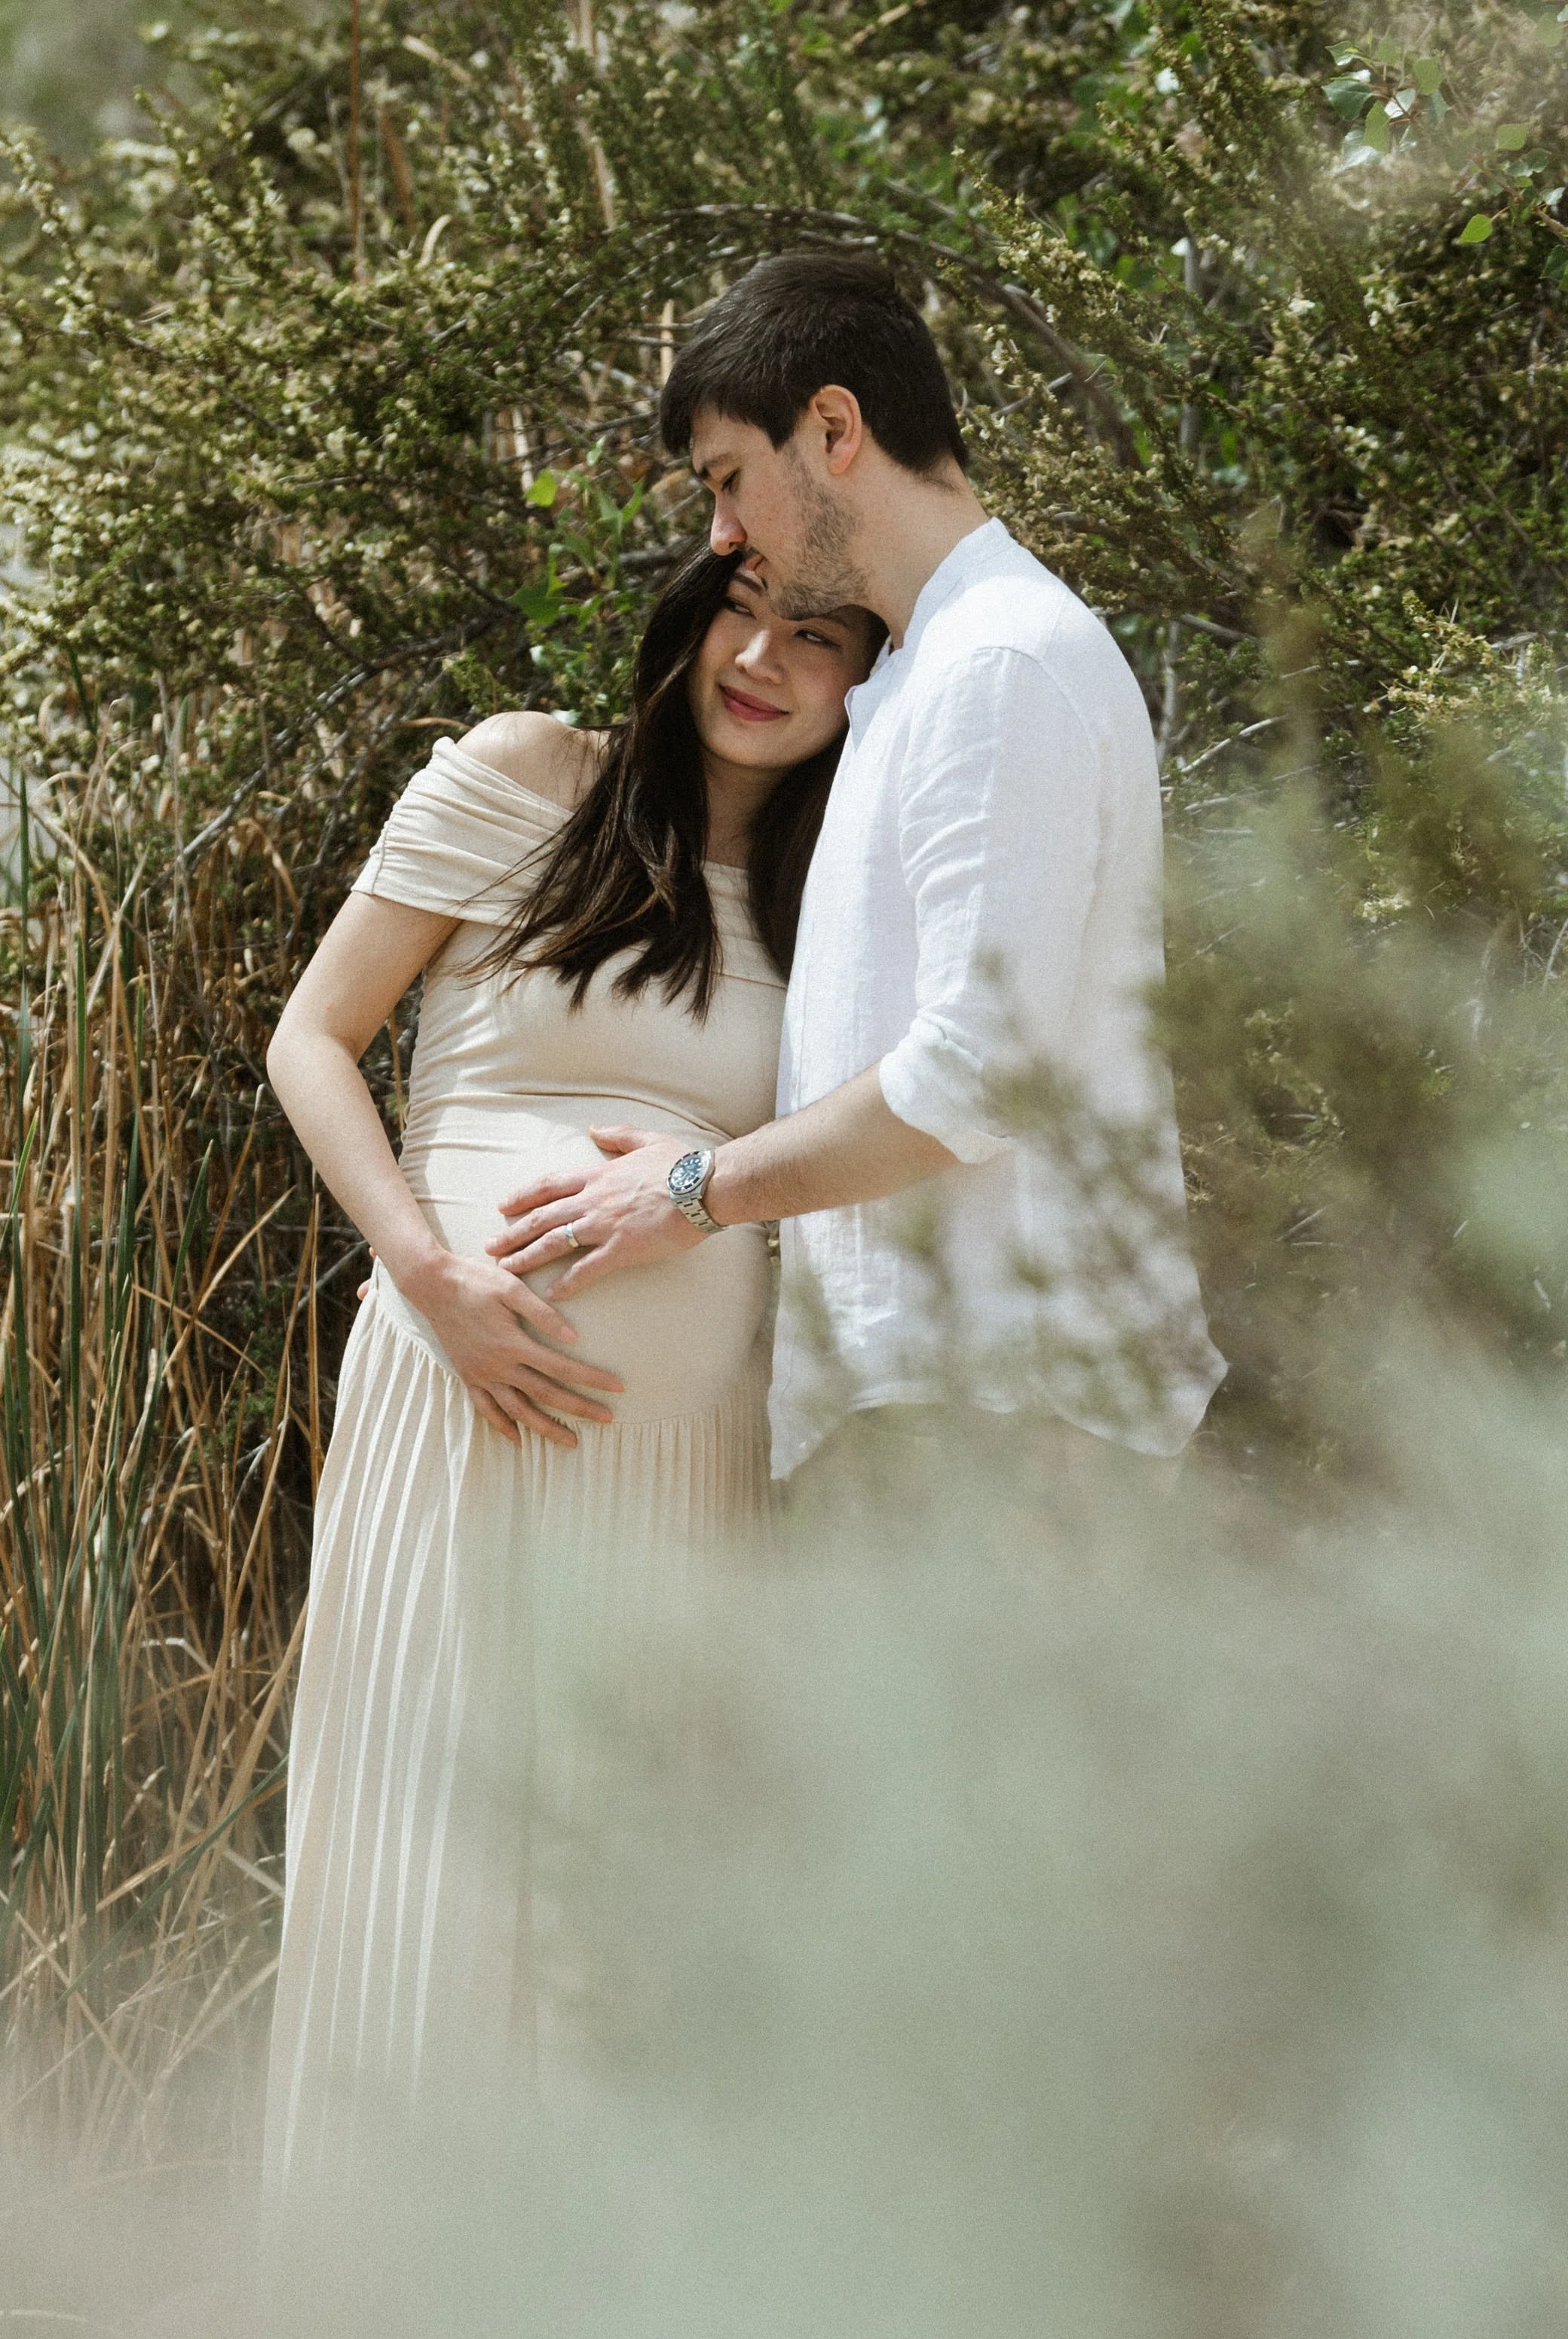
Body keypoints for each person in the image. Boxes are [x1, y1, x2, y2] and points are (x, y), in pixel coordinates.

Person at [261, 548, 879, 2201]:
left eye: (818, 638)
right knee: (425, 1828)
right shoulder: (530, 774)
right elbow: (312, 1038)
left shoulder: (842, 894)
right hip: (451, 1394)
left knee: (623, 1870)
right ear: (686, 616)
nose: (764, 659)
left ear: (862, 680)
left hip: (684, 1452)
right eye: (742, 611)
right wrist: (429, 1272)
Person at [488, 253, 1226, 1490]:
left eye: (729, 477)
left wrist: (690, 1192)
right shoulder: (928, 671)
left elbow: (980, 1073)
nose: (722, 533)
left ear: (834, 427)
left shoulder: (1000, 664)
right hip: (939, 1407)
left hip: (997, 1410)